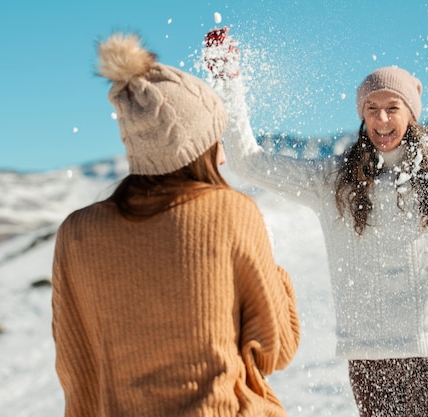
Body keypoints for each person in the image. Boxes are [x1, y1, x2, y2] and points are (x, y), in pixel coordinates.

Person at [203, 26, 428, 417]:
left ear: (411, 113)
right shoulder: (333, 181)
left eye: (393, 107)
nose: (382, 118)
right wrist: (227, 78)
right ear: (361, 116)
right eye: (371, 109)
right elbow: (247, 161)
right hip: (369, 355)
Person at [51, 32, 300, 417]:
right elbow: (277, 348)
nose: (221, 158)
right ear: (197, 148)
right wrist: (272, 268)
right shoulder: (230, 213)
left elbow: (76, 368)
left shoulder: (77, 234)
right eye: (216, 140)